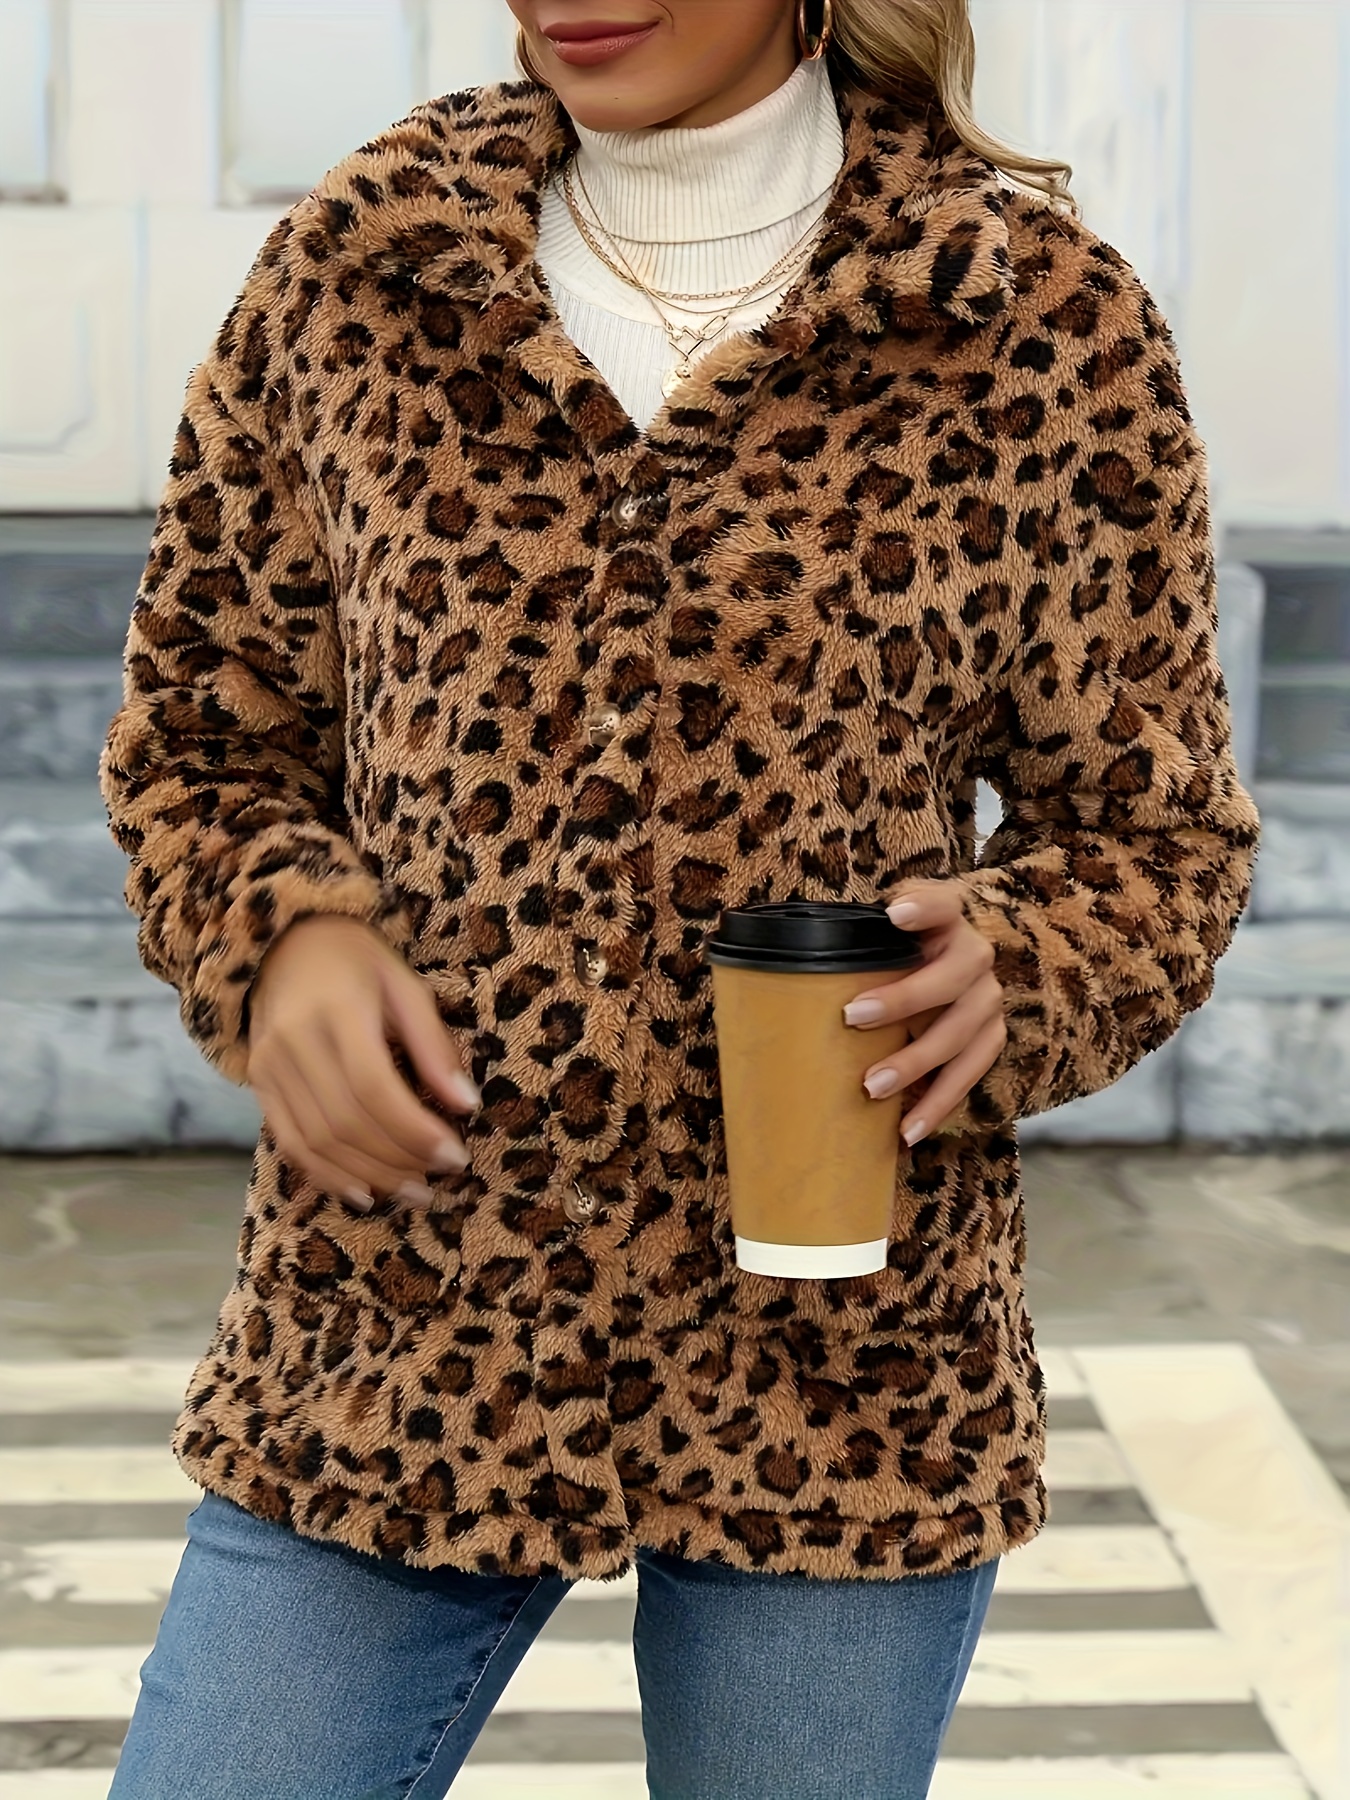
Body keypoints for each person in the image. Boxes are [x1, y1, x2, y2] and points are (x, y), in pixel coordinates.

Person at [100, 2, 1259, 1795]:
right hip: (402, 1324)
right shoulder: (363, 272)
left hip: (842, 1364)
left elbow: (1156, 835)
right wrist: (287, 936)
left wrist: (1017, 969)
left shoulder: (1029, 320)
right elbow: (199, 731)